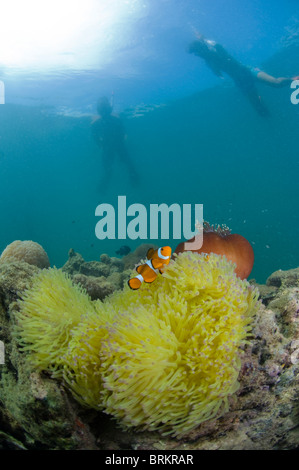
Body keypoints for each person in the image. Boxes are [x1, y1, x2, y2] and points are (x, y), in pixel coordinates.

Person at [189, 34, 299, 116]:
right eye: (196, 53)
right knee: (261, 111)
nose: (197, 55)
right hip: (240, 81)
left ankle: (294, 78)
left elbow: (216, 46)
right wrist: (214, 67)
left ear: (202, 48)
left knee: (276, 83)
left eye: (197, 52)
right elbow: (218, 74)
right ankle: (264, 108)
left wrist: (202, 39)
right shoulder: (209, 62)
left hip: (248, 71)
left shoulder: (216, 49)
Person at [91, 96, 139, 191]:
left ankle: (102, 187)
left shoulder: (96, 124)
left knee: (107, 170)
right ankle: (135, 182)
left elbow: (95, 138)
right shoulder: (116, 120)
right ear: (109, 109)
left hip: (108, 147)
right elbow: (123, 133)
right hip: (119, 146)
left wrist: (101, 145)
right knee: (129, 165)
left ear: (98, 110)